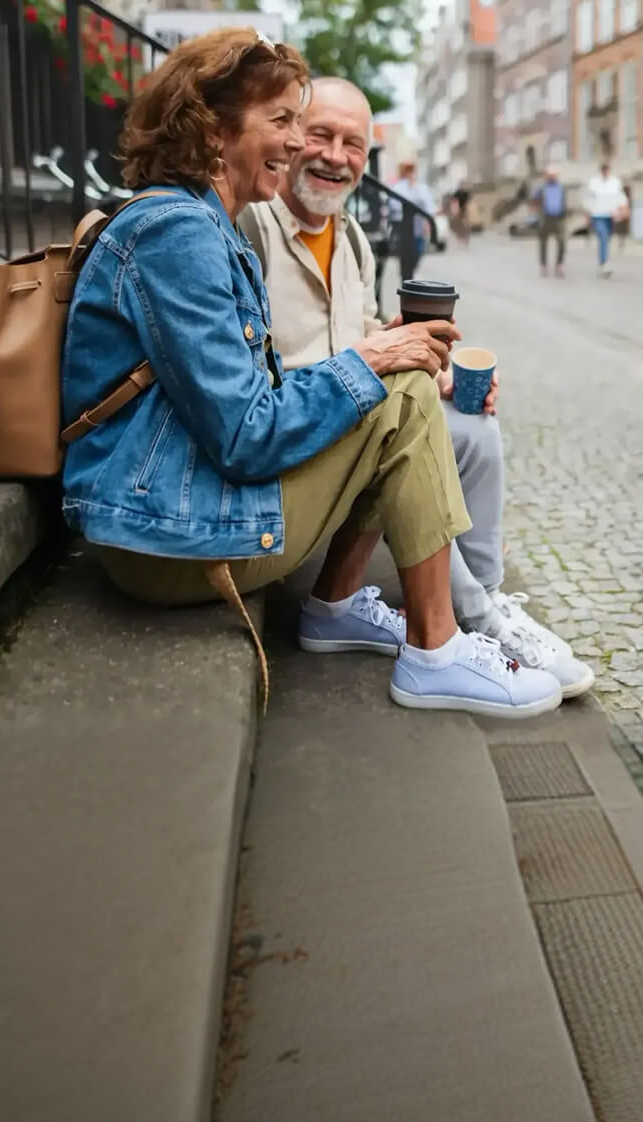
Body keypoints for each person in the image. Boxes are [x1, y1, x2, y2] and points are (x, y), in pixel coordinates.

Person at [60, 30, 564, 718]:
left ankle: (360, 615)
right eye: (283, 122)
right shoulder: (177, 233)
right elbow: (246, 435)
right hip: (161, 540)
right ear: (212, 129)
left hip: (169, 511)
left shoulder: (205, 226)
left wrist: (377, 357)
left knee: (401, 389)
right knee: (400, 393)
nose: (298, 143)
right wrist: (373, 360)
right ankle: (436, 646)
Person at [240, 76, 594, 699]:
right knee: (404, 414)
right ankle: (473, 624)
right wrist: (382, 360)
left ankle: (487, 600)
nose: (334, 156)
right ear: (291, 138)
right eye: (320, 134)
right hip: (296, 441)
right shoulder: (252, 228)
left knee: (473, 423)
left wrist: (431, 363)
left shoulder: (349, 237)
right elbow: (257, 386)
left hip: (349, 417)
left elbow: (362, 332)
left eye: (353, 144)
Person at [389, 159, 434, 271]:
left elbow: (428, 205)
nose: (410, 173)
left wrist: (427, 221)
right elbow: (394, 204)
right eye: (408, 170)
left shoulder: (421, 187)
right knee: (405, 252)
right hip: (402, 222)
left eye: (412, 170)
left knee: (418, 249)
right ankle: (406, 272)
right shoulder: (398, 187)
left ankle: (410, 269)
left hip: (418, 221)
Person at [584, 162, 628, 277]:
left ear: (609, 170)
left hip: (610, 216)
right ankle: (605, 264)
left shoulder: (615, 182)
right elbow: (589, 199)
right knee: (603, 237)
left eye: (607, 170)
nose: (605, 172)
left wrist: (623, 210)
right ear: (601, 170)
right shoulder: (594, 182)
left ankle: (601, 262)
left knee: (606, 240)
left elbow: (620, 197)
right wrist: (587, 214)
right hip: (598, 215)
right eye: (603, 170)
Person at [532, 166, 566, 277]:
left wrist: (564, 213)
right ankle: (543, 265)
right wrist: (537, 213)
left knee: (561, 241)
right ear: (546, 176)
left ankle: (559, 265)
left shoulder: (561, 188)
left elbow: (563, 202)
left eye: (554, 175)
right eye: (550, 175)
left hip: (558, 218)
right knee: (543, 243)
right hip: (545, 218)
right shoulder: (542, 188)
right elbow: (534, 201)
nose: (552, 177)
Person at [451, 181, 471, 245]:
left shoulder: (466, 193)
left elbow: (468, 200)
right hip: (458, 209)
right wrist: (455, 210)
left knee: (465, 223)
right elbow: (454, 201)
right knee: (459, 223)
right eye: (463, 185)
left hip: (464, 209)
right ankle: (461, 237)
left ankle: (465, 237)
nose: (464, 187)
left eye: (464, 185)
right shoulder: (457, 193)